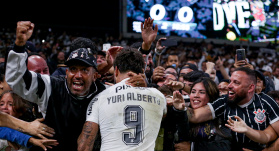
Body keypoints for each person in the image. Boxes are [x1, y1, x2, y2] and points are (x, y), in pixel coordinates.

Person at [5, 21, 107, 151]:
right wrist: (19, 45)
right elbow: (16, 80)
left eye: (85, 70)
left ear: (95, 75)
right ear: (66, 72)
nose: (78, 75)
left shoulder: (105, 93)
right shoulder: (50, 86)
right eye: (73, 69)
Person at [77, 19, 165, 151]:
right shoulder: (158, 96)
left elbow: (84, 146)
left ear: (116, 70)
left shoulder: (100, 98)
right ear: (142, 71)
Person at [173, 67, 279, 151]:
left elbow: (272, 136)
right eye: (230, 81)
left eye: (236, 83)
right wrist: (177, 107)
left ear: (250, 87)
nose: (229, 86)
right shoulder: (224, 101)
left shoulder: (266, 102)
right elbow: (195, 116)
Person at [174, 77, 232, 151]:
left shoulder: (221, 117)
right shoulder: (183, 112)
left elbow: (225, 147)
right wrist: (180, 111)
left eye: (202, 92)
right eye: (193, 92)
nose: (196, 95)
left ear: (211, 96)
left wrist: (193, 147)